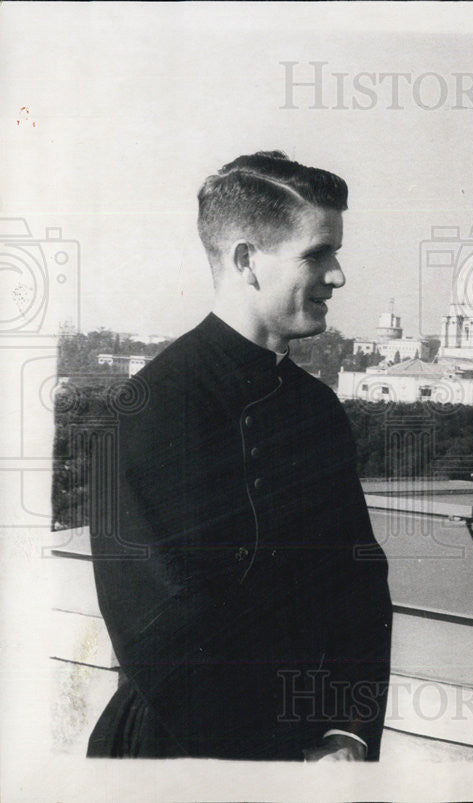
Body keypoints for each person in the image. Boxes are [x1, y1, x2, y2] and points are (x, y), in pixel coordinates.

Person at [87, 151, 392, 761]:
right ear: (246, 260)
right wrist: (282, 758)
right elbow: (165, 631)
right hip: (184, 757)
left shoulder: (317, 409)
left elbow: (359, 589)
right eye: (317, 253)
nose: (338, 276)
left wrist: (347, 730)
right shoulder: (148, 407)